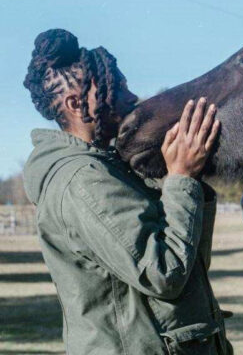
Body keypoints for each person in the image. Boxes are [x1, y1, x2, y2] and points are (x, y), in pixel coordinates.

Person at [22, 29, 232, 355]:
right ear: (76, 104)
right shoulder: (84, 179)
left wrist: (185, 179)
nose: (130, 96)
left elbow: (189, 266)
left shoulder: (109, 170)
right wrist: (181, 178)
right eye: (114, 88)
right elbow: (163, 272)